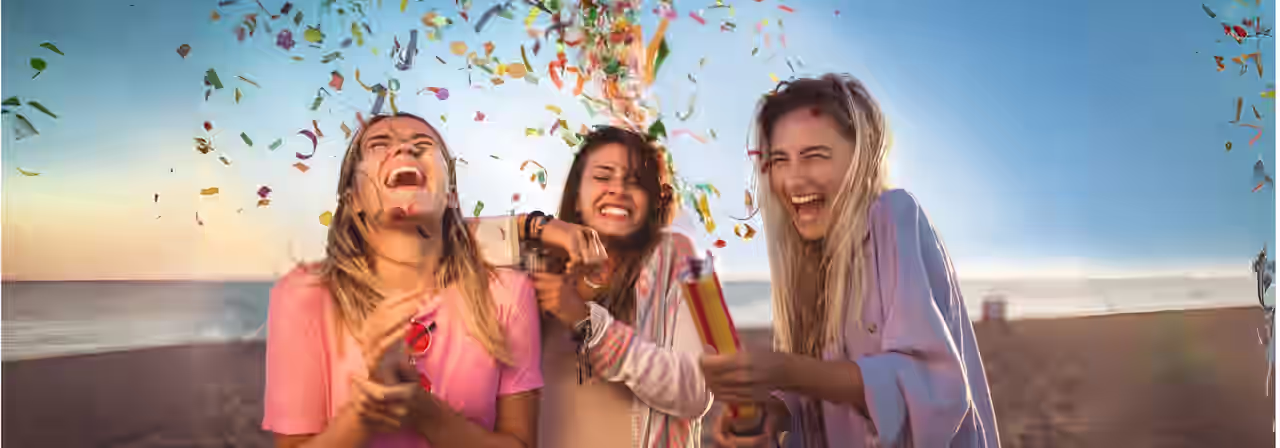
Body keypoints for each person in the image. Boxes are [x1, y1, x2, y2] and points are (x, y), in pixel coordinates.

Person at [700, 74, 1000, 448]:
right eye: (780, 160)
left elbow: (931, 385)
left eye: (814, 156)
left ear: (861, 157)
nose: (793, 180)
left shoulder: (892, 215)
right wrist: (771, 412)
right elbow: (820, 392)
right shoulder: (805, 259)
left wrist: (786, 370)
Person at [261, 113, 543, 448]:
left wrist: (425, 412)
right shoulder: (305, 294)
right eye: (379, 145)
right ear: (353, 201)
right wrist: (363, 414)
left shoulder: (507, 293)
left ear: (451, 196)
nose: (405, 149)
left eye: (423, 145)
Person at [469, 125, 713, 447]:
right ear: (578, 195)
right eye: (603, 176)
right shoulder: (533, 263)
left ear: (651, 200)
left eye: (635, 181)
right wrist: (538, 226)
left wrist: (589, 323)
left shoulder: (678, 254)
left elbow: (695, 392)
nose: (618, 189)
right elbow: (440, 240)